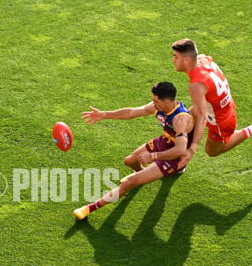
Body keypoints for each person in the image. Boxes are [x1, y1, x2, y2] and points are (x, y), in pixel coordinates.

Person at [73, 81, 193, 220]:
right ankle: (141, 173)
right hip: (164, 142)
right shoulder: (158, 107)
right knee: (129, 161)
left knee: (128, 182)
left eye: (156, 101)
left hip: (174, 157)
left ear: (166, 101)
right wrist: (103, 114)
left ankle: (89, 208)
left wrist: (153, 156)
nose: (153, 104)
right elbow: (131, 113)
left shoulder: (180, 119)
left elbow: (180, 149)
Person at [171, 39, 252, 168]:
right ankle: (177, 157)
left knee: (211, 151)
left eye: (176, 57)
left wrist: (192, 149)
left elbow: (202, 119)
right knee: (185, 121)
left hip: (221, 122)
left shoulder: (196, 85)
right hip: (223, 106)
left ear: (187, 60)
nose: (173, 60)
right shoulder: (202, 59)